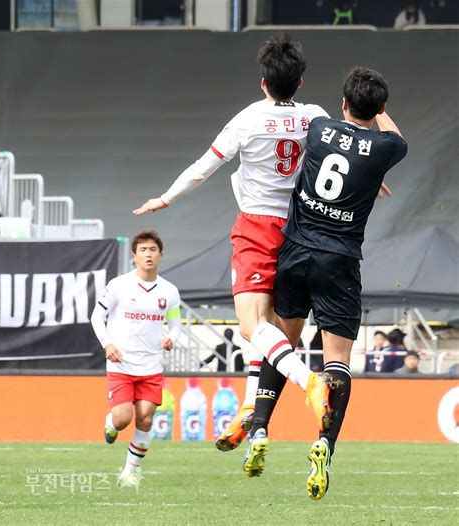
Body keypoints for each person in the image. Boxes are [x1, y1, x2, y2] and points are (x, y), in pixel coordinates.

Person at [132, 33, 334, 451]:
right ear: (299, 82)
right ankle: (252, 416)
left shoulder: (247, 120)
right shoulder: (316, 116)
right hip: (301, 228)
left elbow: (203, 168)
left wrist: (165, 198)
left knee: (250, 326)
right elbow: (342, 159)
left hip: (259, 226)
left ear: (264, 81)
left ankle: (308, 381)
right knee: (271, 333)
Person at [242, 67, 407, 501]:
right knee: (337, 362)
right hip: (338, 261)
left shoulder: (317, 129)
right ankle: (323, 445)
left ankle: (259, 427)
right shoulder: (384, 148)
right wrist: (381, 114)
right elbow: (397, 138)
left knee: (282, 343)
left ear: (343, 104)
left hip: (295, 251)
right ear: (378, 109)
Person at [90, 230, 181, 488]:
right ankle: (110, 422)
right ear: (134, 257)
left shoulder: (170, 291)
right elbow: (97, 317)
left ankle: (130, 472)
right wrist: (107, 344)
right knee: (122, 418)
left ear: (161, 255)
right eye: (143, 250)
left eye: (153, 250)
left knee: (146, 418)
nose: (148, 254)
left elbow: (175, 323)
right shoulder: (119, 285)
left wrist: (171, 337)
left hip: (151, 366)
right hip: (122, 364)